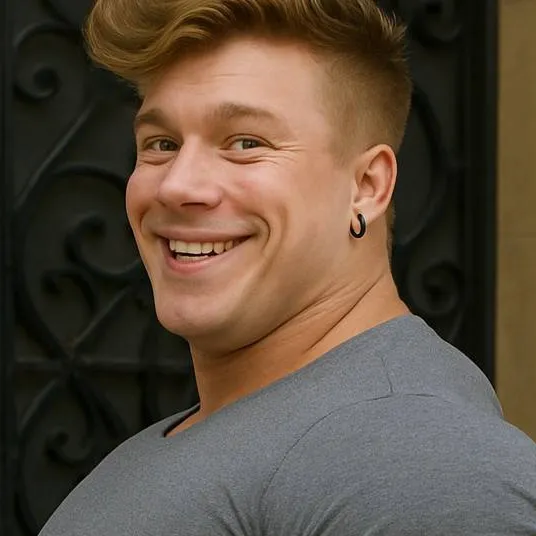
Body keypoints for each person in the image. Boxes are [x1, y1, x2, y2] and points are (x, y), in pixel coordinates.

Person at [39, 0, 536, 534]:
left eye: (246, 143)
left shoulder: (416, 457)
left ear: (366, 187)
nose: (178, 185)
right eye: (162, 144)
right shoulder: (282, 433)